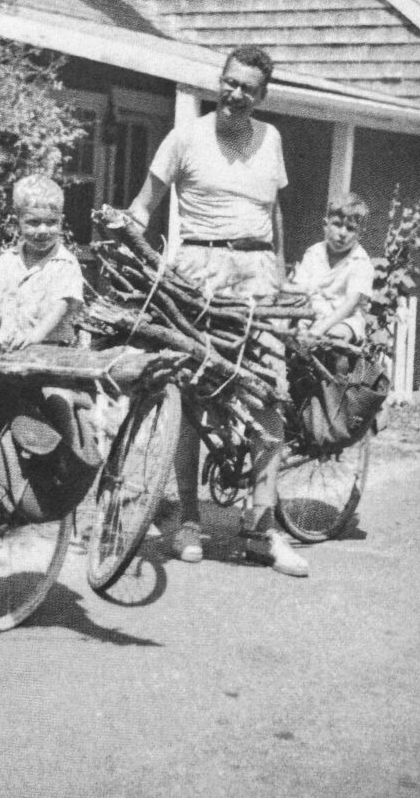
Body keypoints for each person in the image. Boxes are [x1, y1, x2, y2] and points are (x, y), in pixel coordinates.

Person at [126, 44, 308, 578]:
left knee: (269, 392)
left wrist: (281, 276)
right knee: (190, 393)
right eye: (229, 82)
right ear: (219, 81)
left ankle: (260, 526)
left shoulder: (271, 139)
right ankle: (186, 519)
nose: (235, 93)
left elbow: (273, 216)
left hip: (257, 277)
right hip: (198, 272)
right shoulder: (185, 137)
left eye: (248, 88)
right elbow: (145, 204)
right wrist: (124, 236)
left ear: (261, 95)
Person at [0, 174, 84, 349]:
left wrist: (33, 336)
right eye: (33, 222)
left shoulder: (64, 263)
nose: (42, 230)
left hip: (46, 349)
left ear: (61, 221)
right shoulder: (9, 259)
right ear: (18, 221)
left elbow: (60, 307)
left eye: (51, 222)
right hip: (5, 346)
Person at [291, 193, 375, 358]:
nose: (342, 233)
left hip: (344, 318)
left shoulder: (360, 261)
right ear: (325, 225)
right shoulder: (314, 253)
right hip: (312, 313)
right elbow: (299, 289)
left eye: (350, 228)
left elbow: (350, 304)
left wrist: (319, 329)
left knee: (335, 338)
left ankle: (338, 380)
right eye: (337, 224)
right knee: (288, 331)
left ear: (360, 233)